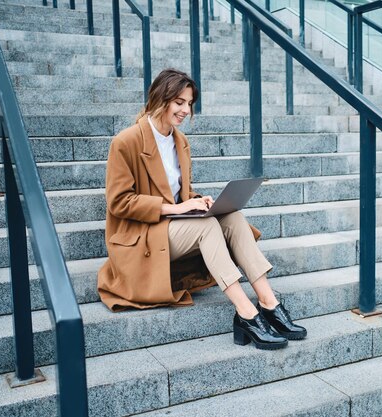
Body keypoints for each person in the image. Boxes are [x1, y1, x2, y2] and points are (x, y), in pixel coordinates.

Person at [98, 68, 306, 350]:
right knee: (207, 226)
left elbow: (175, 194)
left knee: (231, 217)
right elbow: (120, 202)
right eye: (180, 102)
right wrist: (182, 208)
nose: (186, 110)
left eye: (190, 103)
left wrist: (200, 201)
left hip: (172, 227)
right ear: (161, 98)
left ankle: (269, 302)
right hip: (142, 235)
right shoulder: (127, 141)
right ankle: (246, 313)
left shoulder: (179, 141)